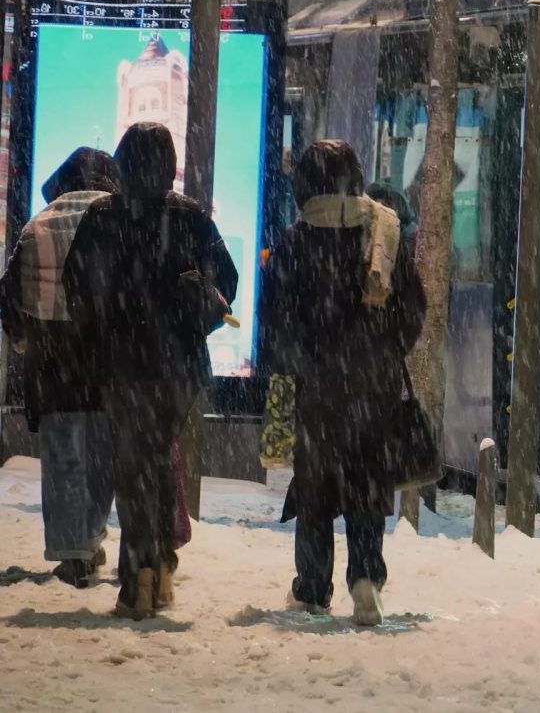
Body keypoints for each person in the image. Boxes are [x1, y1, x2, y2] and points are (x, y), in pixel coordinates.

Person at [63, 122, 238, 620]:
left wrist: (101, 325)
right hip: (178, 367)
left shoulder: (101, 216)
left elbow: (75, 287)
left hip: (121, 362)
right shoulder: (190, 216)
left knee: (132, 464)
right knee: (157, 456)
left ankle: (139, 574)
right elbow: (228, 279)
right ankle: (158, 567)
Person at [261, 140, 425, 627]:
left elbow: (273, 320)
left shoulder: (294, 241)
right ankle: (366, 579)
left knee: (315, 486)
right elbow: (412, 307)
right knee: (366, 482)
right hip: (372, 387)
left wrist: (302, 362)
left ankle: (312, 586)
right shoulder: (382, 232)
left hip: (319, 388)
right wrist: (384, 352)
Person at [0, 148, 119, 587]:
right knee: (103, 454)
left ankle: (73, 552)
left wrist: (21, 338)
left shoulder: (38, 224)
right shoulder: (116, 219)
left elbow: (10, 293)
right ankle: (90, 534)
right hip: (106, 359)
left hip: (51, 360)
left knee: (63, 457)